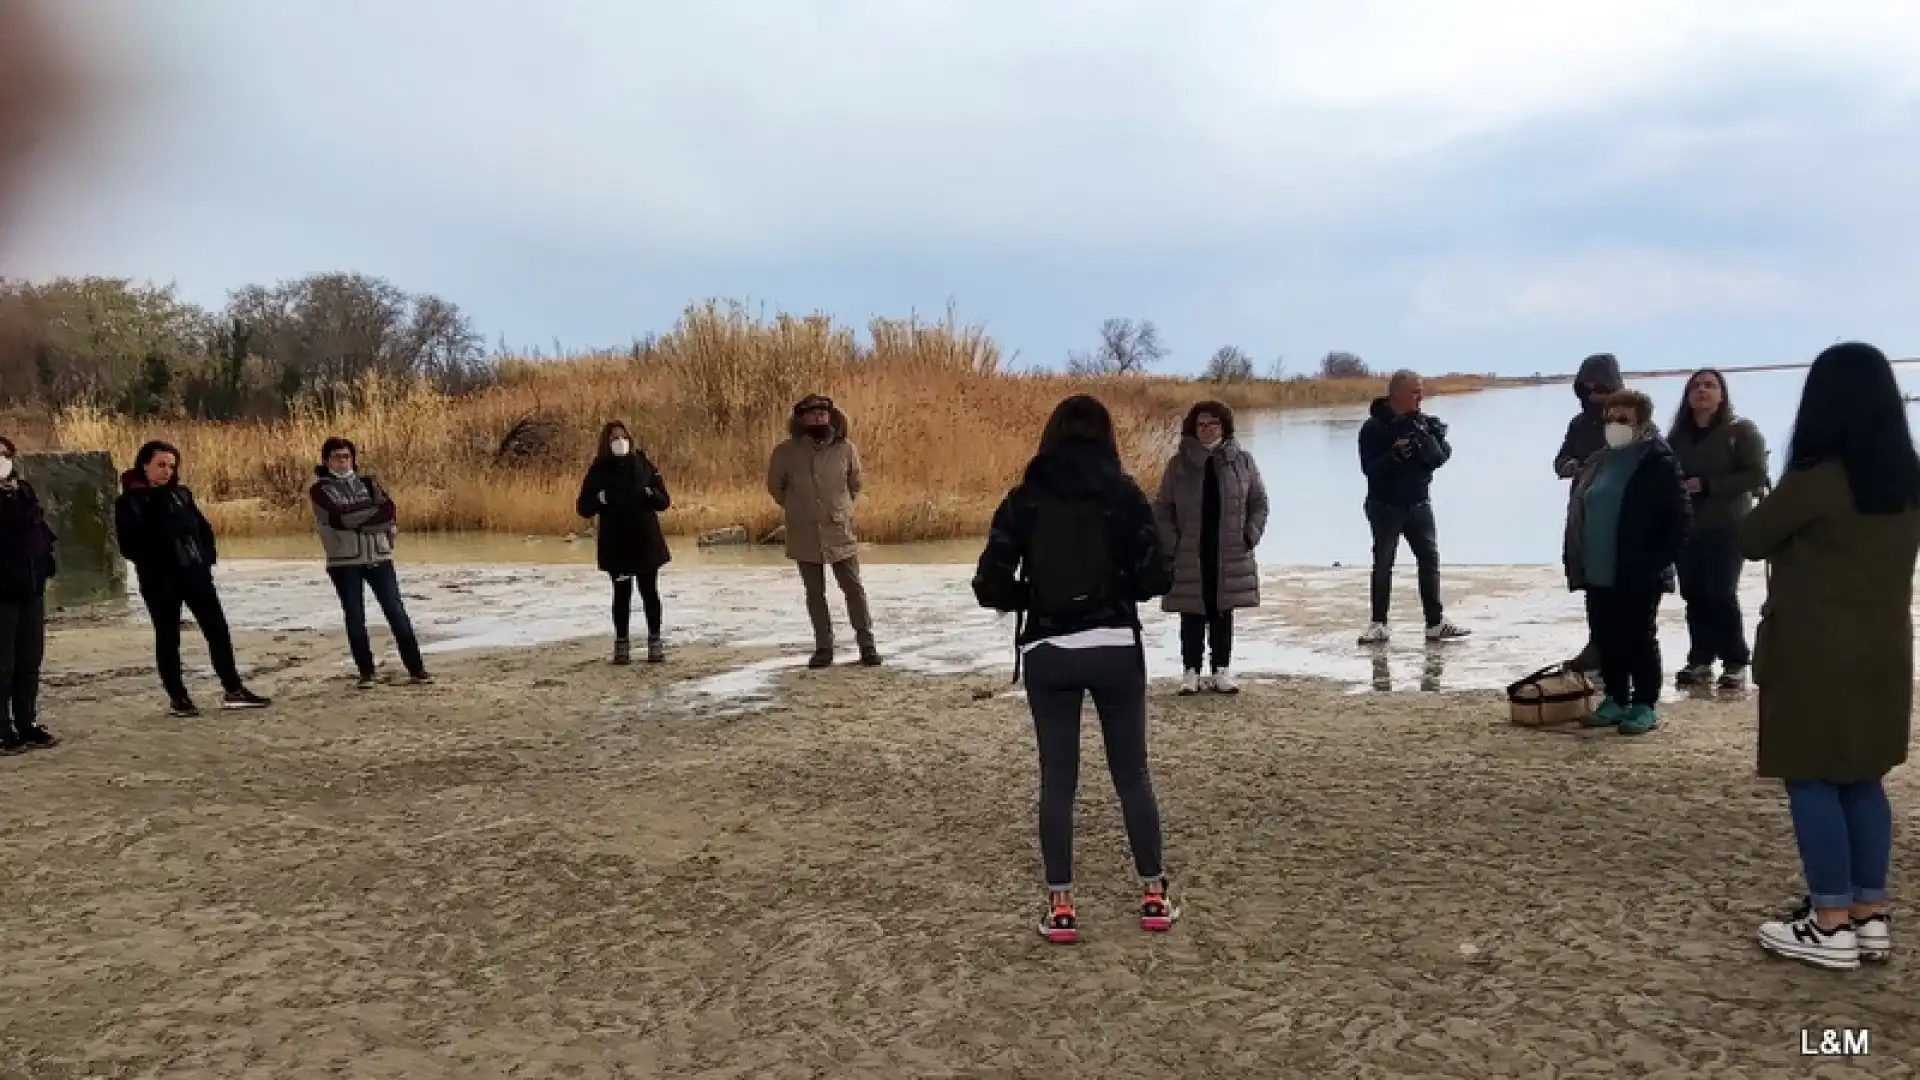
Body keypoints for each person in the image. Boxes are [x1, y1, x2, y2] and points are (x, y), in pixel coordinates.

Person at [971, 394, 1178, 943]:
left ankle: (1061, 906)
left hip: (1048, 650)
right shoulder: (1124, 494)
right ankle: (1154, 896)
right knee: (1131, 773)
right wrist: (1116, 590)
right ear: (1106, 435)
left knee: (1058, 779)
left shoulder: (1026, 499)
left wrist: (1035, 597)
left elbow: (987, 584)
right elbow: (1157, 576)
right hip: (1115, 644)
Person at [1741, 342, 1920, 971]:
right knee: (1864, 778)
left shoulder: (1816, 478)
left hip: (1813, 652)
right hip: (1885, 651)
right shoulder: (1907, 476)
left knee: (1812, 776)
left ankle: (1829, 923)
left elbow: (1752, 537)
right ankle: (1869, 915)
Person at [1562, 390, 1690, 736]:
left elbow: (1679, 519)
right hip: (1598, 568)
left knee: (1639, 637)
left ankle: (1644, 704)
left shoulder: (1657, 461)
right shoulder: (1600, 459)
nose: (1614, 426)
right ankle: (1616, 698)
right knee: (1607, 636)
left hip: (1638, 570)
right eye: (1610, 419)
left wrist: (1654, 562)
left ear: (1641, 423)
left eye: (1623, 420)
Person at [113, 440, 271, 716]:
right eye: (160, 465)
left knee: (217, 630)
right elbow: (130, 546)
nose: (167, 471)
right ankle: (178, 697)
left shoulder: (181, 494)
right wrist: (159, 553)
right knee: (168, 637)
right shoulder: (130, 501)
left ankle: (233, 689)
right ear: (144, 466)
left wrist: (206, 558)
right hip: (159, 579)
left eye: (172, 466)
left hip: (195, 574)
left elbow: (202, 528)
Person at [1154, 401, 1268, 695]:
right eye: (1201, 425)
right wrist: (1173, 543)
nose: (1206, 430)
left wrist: (1249, 536)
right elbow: (1163, 508)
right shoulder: (1178, 464)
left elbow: (1259, 503)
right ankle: (1190, 672)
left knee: (1222, 610)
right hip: (1190, 550)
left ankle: (1222, 671)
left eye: (1213, 424)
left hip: (1229, 549)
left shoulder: (1241, 461)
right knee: (1191, 612)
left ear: (1224, 427)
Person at [1666, 369, 1769, 690]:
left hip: (1728, 525)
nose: (1702, 391)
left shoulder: (1740, 431)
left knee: (1721, 593)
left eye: (1710, 385)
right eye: (1696, 386)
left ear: (1722, 395)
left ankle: (1735, 661)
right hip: (1687, 526)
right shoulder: (1677, 436)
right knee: (1694, 593)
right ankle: (1700, 659)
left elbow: (1756, 476)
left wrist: (1709, 485)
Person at [1355, 369, 1469, 644]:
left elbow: (1440, 457)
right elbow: (1369, 469)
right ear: (1398, 394)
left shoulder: (1424, 423)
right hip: (1384, 506)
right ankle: (1378, 623)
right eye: (1416, 391)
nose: (1421, 396)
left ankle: (1435, 622)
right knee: (1383, 562)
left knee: (1429, 560)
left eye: (1422, 390)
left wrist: (1426, 437)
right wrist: (1394, 456)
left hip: (1419, 503)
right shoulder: (1373, 428)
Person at [309, 437, 432, 688]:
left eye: (346, 456)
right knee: (355, 617)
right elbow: (339, 519)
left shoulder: (368, 482)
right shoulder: (319, 491)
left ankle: (416, 670)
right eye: (336, 457)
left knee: (396, 612)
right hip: (344, 562)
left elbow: (388, 512)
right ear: (326, 461)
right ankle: (367, 673)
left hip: (379, 556)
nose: (342, 462)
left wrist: (362, 517)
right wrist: (370, 515)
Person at [768, 394, 879, 668]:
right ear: (801, 419)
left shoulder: (845, 449)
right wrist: (798, 509)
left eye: (823, 413)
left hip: (839, 529)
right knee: (814, 593)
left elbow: (855, 484)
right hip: (803, 531)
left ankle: (867, 645)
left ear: (831, 416)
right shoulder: (785, 452)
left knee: (853, 588)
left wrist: (841, 509)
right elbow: (775, 488)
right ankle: (824, 648)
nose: (819, 417)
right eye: (812, 414)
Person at [576, 421, 672, 664]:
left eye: (623, 437)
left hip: (645, 541)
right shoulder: (599, 470)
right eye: (614, 439)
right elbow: (583, 508)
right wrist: (599, 498)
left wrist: (650, 494)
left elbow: (664, 502)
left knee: (649, 592)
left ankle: (655, 642)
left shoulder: (643, 465)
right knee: (622, 595)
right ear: (606, 444)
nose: (620, 442)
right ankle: (622, 645)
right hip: (616, 543)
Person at [1554, 352, 1627, 672]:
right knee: (1591, 580)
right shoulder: (1579, 424)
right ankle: (1597, 644)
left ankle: (1620, 649)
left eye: (1600, 387)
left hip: (1620, 511)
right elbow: (1559, 461)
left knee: (1621, 583)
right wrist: (1571, 466)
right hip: (1584, 511)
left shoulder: (1628, 421)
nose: (1593, 394)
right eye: (1588, 388)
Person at [0, 437, 58, 753]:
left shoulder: (23, 491)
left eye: (5, 454)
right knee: (3, 663)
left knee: (29, 660)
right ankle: (2, 728)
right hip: (2, 592)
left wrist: (47, 563)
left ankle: (26, 722)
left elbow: (37, 532)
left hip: (31, 586)